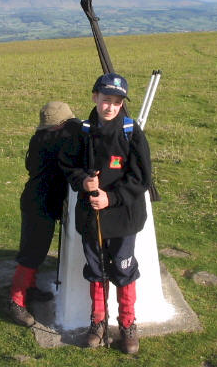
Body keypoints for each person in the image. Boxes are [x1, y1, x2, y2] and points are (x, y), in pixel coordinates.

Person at [59, 73, 152, 354]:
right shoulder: (82, 132)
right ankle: (98, 322)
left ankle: (127, 325)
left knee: (124, 271)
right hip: (91, 218)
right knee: (97, 271)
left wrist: (110, 197)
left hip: (123, 217)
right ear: (94, 98)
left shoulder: (131, 132)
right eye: (105, 100)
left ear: (122, 104)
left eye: (116, 102)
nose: (110, 107)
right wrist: (83, 181)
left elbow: (141, 178)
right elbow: (68, 165)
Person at [8, 101, 78, 327]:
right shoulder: (57, 139)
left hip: (37, 200)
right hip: (39, 204)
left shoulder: (41, 138)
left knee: (37, 250)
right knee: (31, 253)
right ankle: (16, 303)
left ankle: (30, 288)